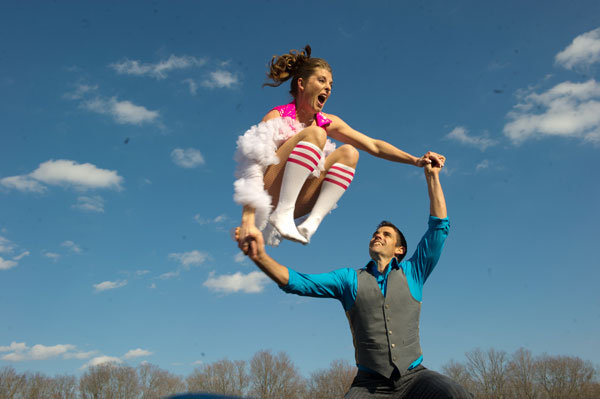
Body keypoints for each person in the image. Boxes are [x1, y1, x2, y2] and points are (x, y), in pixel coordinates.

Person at [235, 154, 473, 398]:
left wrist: (432, 177)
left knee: (454, 393)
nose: (377, 236)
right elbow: (299, 283)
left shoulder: (415, 272)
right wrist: (259, 256)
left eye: (386, 234)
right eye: (375, 233)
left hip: (415, 378)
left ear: (399, 250)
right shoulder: (349, 280)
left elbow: (439, 228)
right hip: (369, 384)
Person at [234, 45, 442, 247]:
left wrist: (415, 161)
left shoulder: (327, 120)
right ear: (301, 84)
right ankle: (282, 212)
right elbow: (251, 166)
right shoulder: (277, 115)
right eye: (322, 81)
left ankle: (310, 225)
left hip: (300, 201)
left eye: (331, 85)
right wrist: (247, 222)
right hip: (271, 194)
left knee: (350, 153)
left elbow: (374, 145)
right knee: (316, 133)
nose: (328, 88)